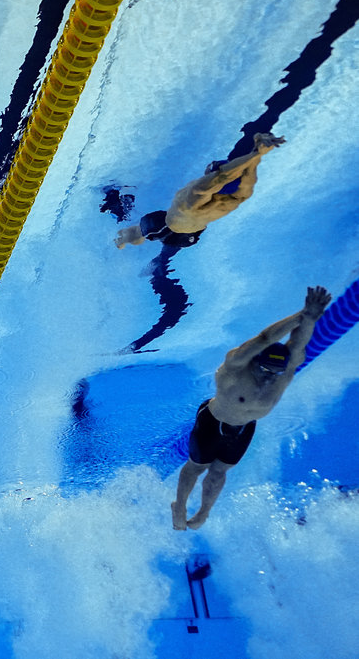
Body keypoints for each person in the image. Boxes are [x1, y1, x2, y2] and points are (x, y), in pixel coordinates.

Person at [171, 286, 331, 530]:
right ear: (256, 360)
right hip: (213, 422)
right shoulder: (235, 365)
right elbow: (264, 339)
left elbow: (297, 345)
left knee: (219, 472)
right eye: (265, 370)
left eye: (275, 372)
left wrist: (310, 319)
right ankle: (180, 506)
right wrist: (300, 314)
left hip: (244, 429)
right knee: (196, 467)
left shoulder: (284, 371)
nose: (269, 377)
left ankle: (203, 513)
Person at [116, 132, 285, 249]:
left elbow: (222, 177)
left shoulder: (193, 197)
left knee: (143, 230)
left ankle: (121, 240)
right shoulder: (240, 195)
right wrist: (258, 153)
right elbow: (245, 177)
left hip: (177, 227)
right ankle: (125, 240)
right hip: (191, 230)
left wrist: (257, 153)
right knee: (151, 233)